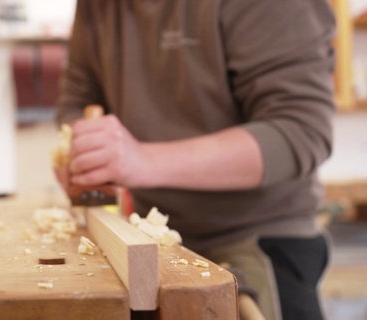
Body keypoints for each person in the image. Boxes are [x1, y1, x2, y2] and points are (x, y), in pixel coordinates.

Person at [54, 1, 336, 319]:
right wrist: (81, 148)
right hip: (151, 235)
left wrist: (143, 161)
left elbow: (299, 131)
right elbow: (78, 100)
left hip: (254, 236)